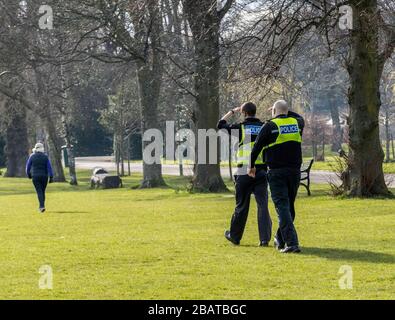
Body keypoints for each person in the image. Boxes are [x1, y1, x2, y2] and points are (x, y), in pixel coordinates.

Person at [249, 100, 304, 254]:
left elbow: (256, 147)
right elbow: (297, 116)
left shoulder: (269, 126)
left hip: (276, 172)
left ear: (273, 111)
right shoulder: (298, 123)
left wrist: (251, 166)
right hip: (294, 172)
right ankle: (279, 239)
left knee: (283, 208)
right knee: (289, 208)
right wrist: (284, 111)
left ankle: (292, 243)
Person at [218, 102, 272, 247]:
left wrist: (232, 111)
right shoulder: (264, 127)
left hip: (243, 171)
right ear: (255, 112)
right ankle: (264, 239)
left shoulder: (240, 127)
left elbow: (220, 124)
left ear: (244, 113)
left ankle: (235, 236)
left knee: (241, 205)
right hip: (261, 170)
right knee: (263, 205)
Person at [26, 143, 54, 213]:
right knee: (43, 191)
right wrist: (51, 176)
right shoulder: (45, 157)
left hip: (35, 177)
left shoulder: (32, 156)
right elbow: (49, 167)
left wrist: (29, 174)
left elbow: (28, 167)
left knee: (39, 191)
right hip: (44, 177)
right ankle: (42, 206)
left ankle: (41, 206)